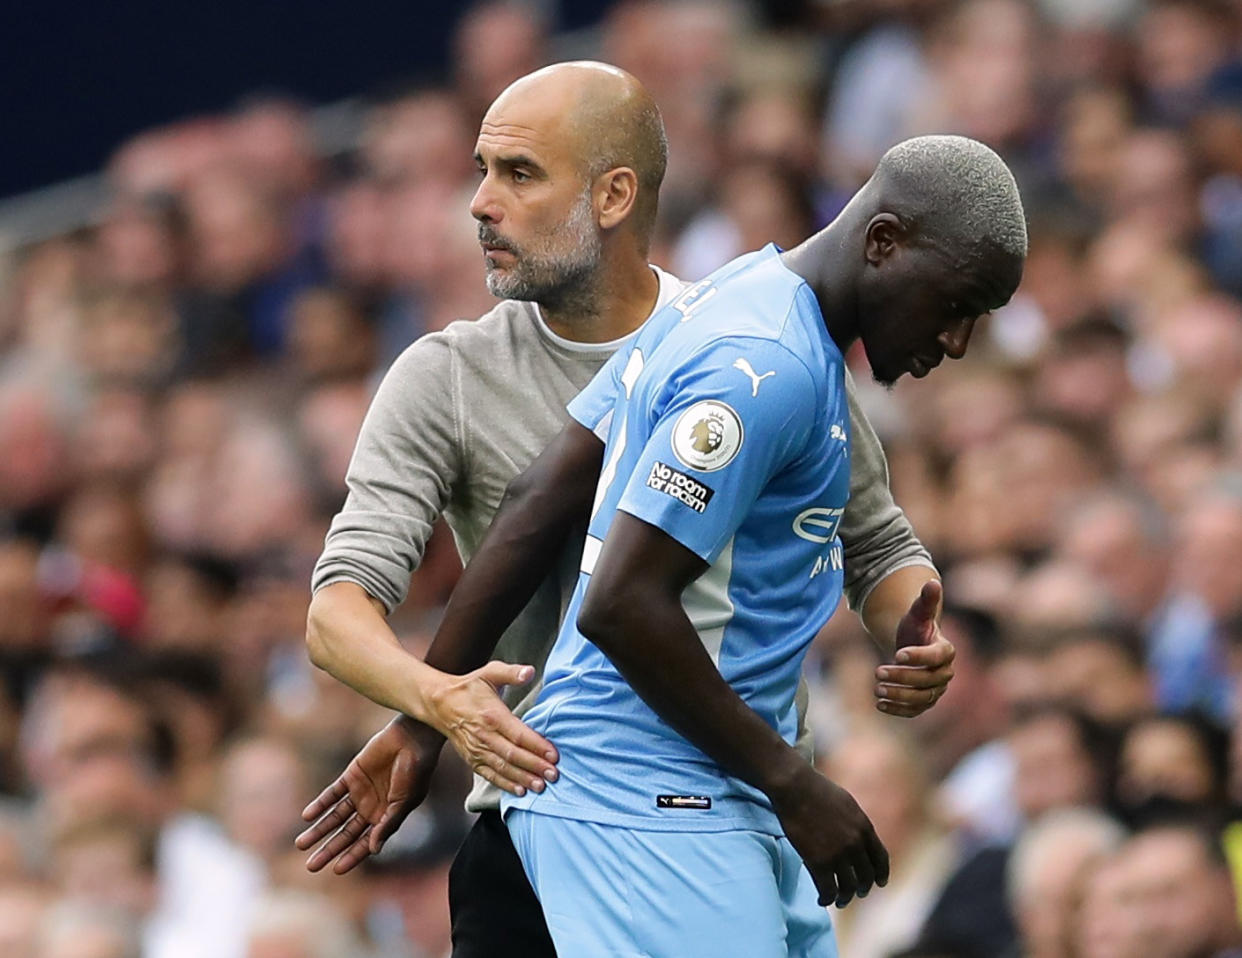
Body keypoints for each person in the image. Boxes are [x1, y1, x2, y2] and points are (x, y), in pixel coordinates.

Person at [299, 62, 959, 957]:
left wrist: (911, 632)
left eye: (518, 174)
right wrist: (435, 709)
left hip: (738, 821)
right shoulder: (444, 379)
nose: (480, 203)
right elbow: (338, 617)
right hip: (548, 822)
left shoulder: (746, 339)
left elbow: (876, 541)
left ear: (613, 196)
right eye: (482, 169)